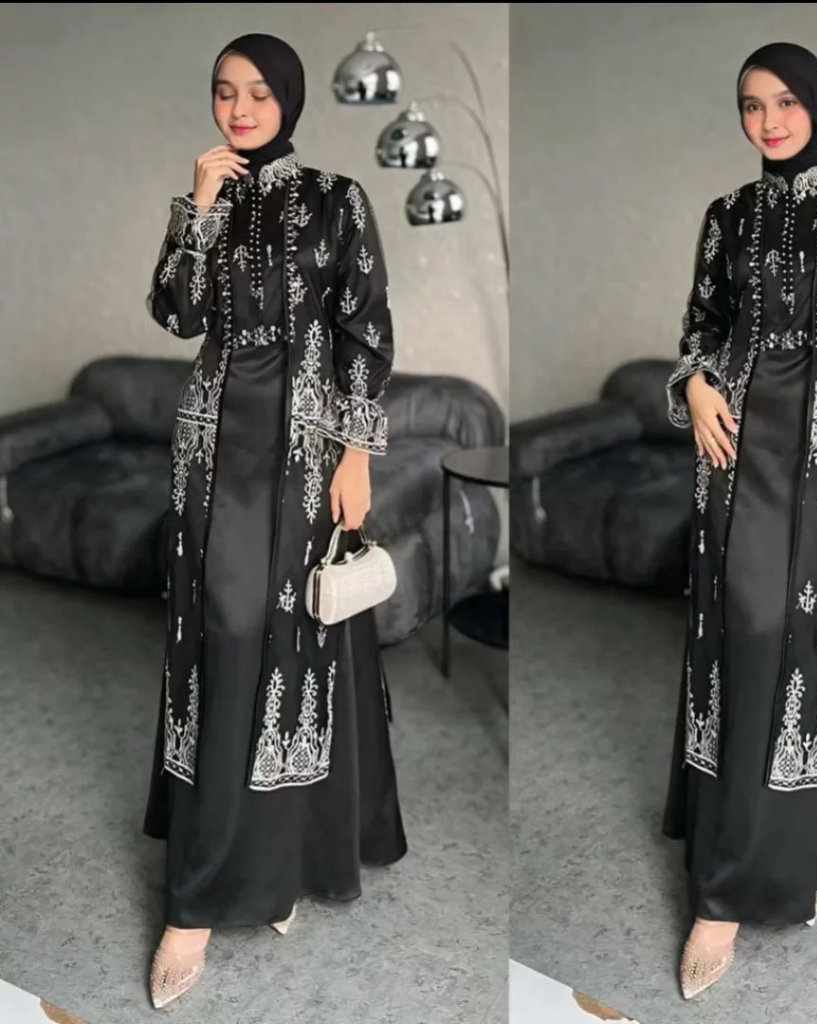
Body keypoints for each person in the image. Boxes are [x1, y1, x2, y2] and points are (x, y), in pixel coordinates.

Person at [142, 33, 407, 1009]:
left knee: (291, 643)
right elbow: (175, 314)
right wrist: (198, 209)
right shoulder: (205, 197)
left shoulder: (337, 199)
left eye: (257, 92)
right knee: (221, 642)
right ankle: (200, 896)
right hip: (212, 449)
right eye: (225, 92)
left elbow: (365, 331)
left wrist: (356, 452)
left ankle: (284, 853)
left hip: (303, 457)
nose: (240, 108)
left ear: (288, 99)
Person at [662, 42, 817, 999]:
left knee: (806, 640)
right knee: (742, 639)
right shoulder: (726, 215)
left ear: (814, 105)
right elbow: (700, 325)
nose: (767, 122)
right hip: (732, 455)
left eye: (783, 103)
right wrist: (693, 386)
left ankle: (803, 847)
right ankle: (724, 889)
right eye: (750, 106)